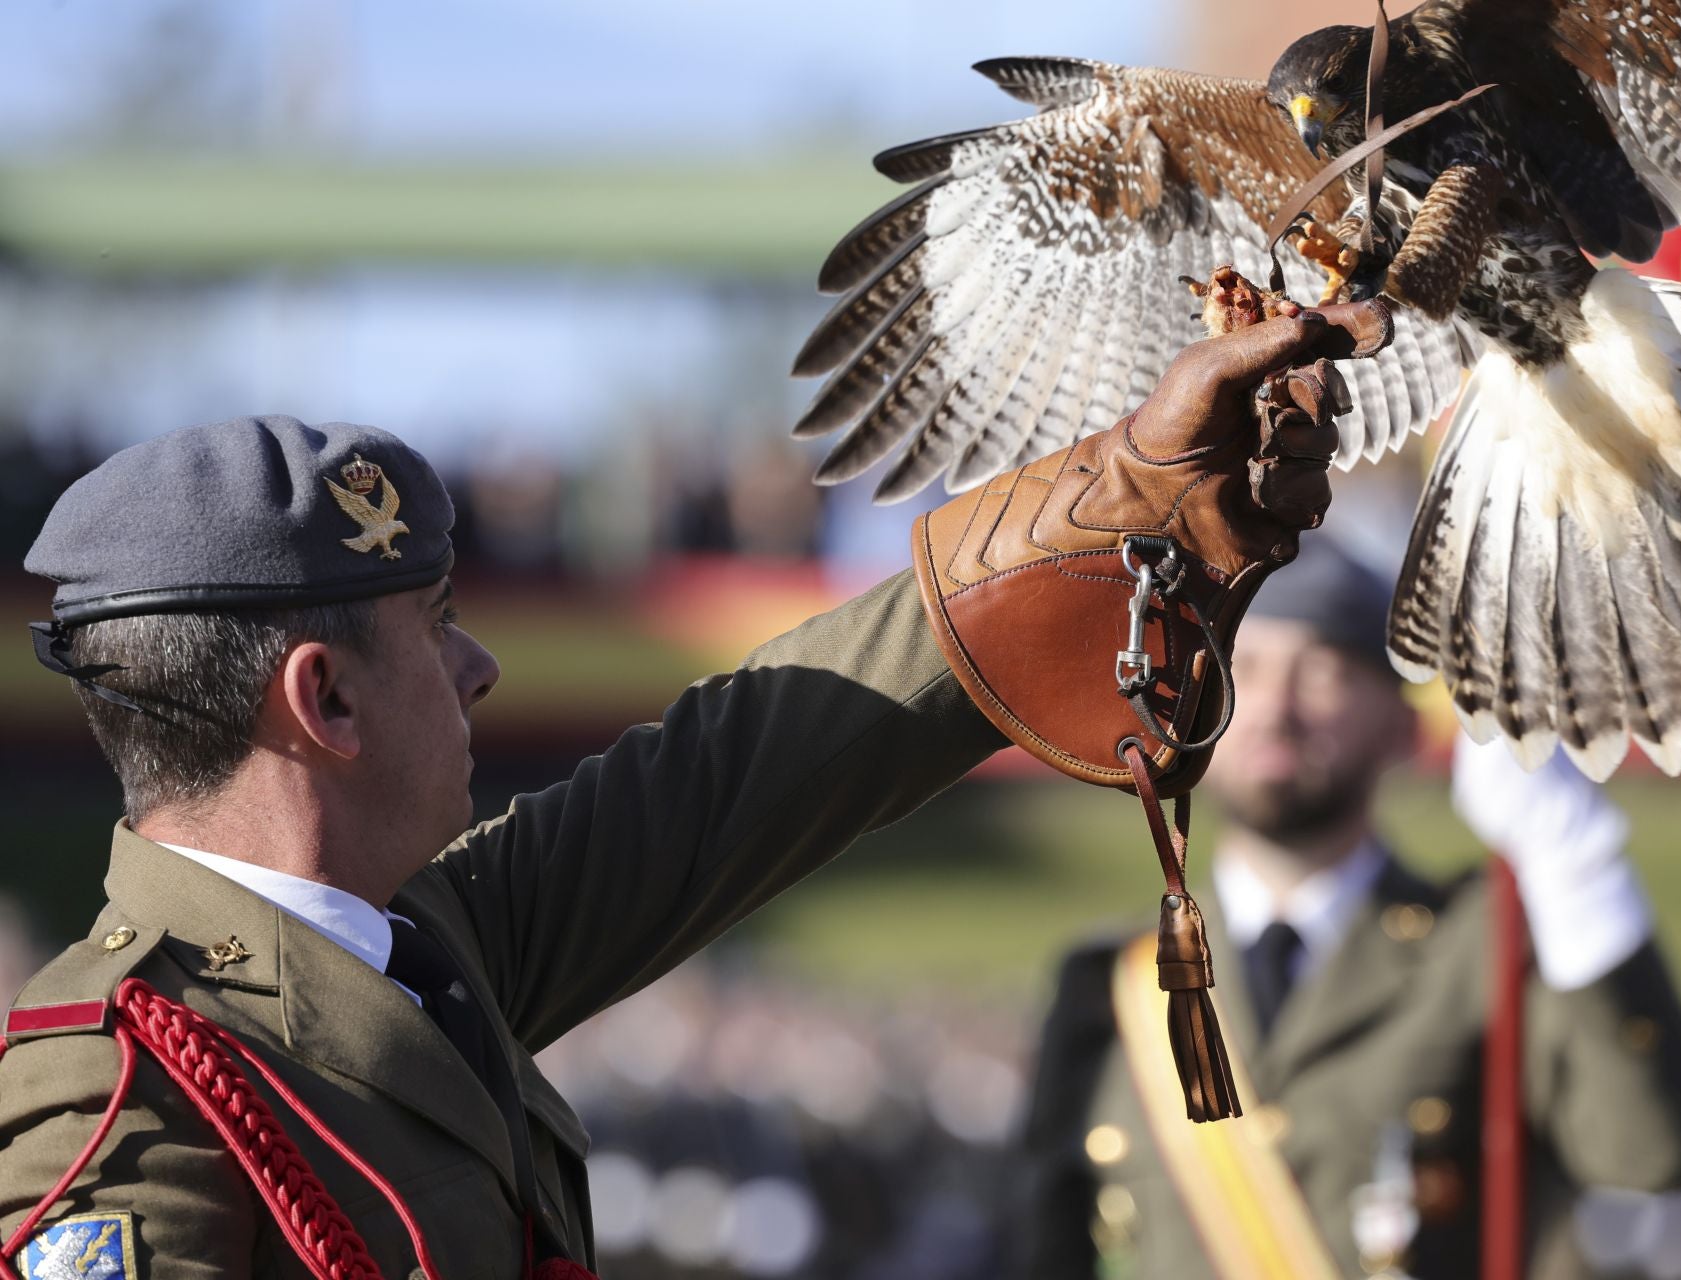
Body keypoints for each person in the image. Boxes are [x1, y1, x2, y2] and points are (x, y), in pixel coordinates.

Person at [0, 306, 1369, 1277]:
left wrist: (1122, 503)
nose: (480, 668)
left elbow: (752, 766)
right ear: (328, 700)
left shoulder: (423, 948)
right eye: (436, 623)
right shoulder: (121, 1085)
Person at [1018, 536, 1681, 1280]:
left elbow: (1653, 1154)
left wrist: (1573, 863)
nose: (1276, 709)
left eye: (1322, 674)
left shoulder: (1489, 944)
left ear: (1402, 729)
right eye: (1242, 671)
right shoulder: (1112, 983)